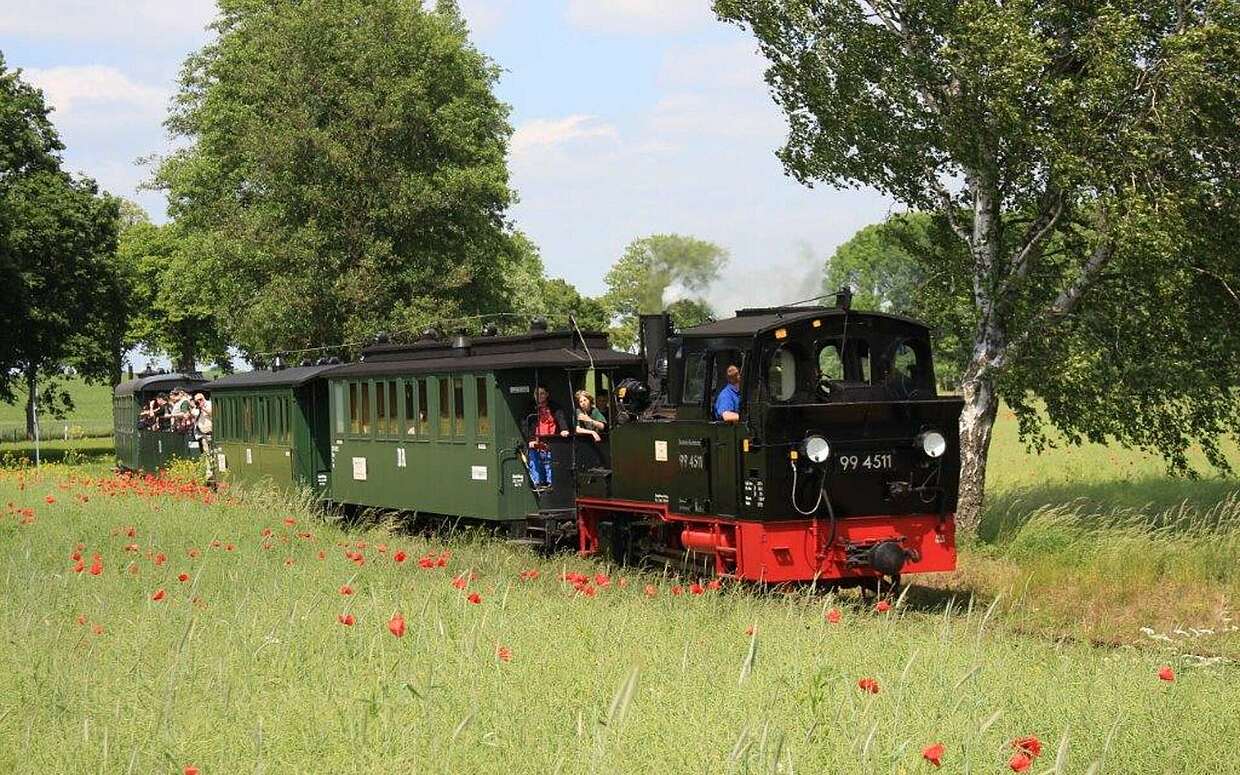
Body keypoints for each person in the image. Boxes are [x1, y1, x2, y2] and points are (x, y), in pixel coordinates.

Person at [523, 385, 568, 490]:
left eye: (542, 393)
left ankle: (550, 483)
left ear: (547, 394)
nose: (539, 396)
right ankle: (537, 483)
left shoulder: (554, 407)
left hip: (551, 439)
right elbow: (525, 424)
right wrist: (530, 439)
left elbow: (561, 418)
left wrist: (564, 429)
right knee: (535, 460)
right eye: (536, 394)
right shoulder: (530, 408)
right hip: (536, 439)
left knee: (550, 462)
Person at [192, 393, 214, 477]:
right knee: (206, 453)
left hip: (210, 433)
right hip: (202, 434)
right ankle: (209, 473)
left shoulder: (209, 404)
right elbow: (194, 413)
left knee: (212, 452)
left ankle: (212, 472)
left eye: (200, 399)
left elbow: (212, 414)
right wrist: (196, 406)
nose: (199, 401)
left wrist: (203, 408)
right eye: (197, 400)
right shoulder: (197, 407)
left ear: (203, 398)